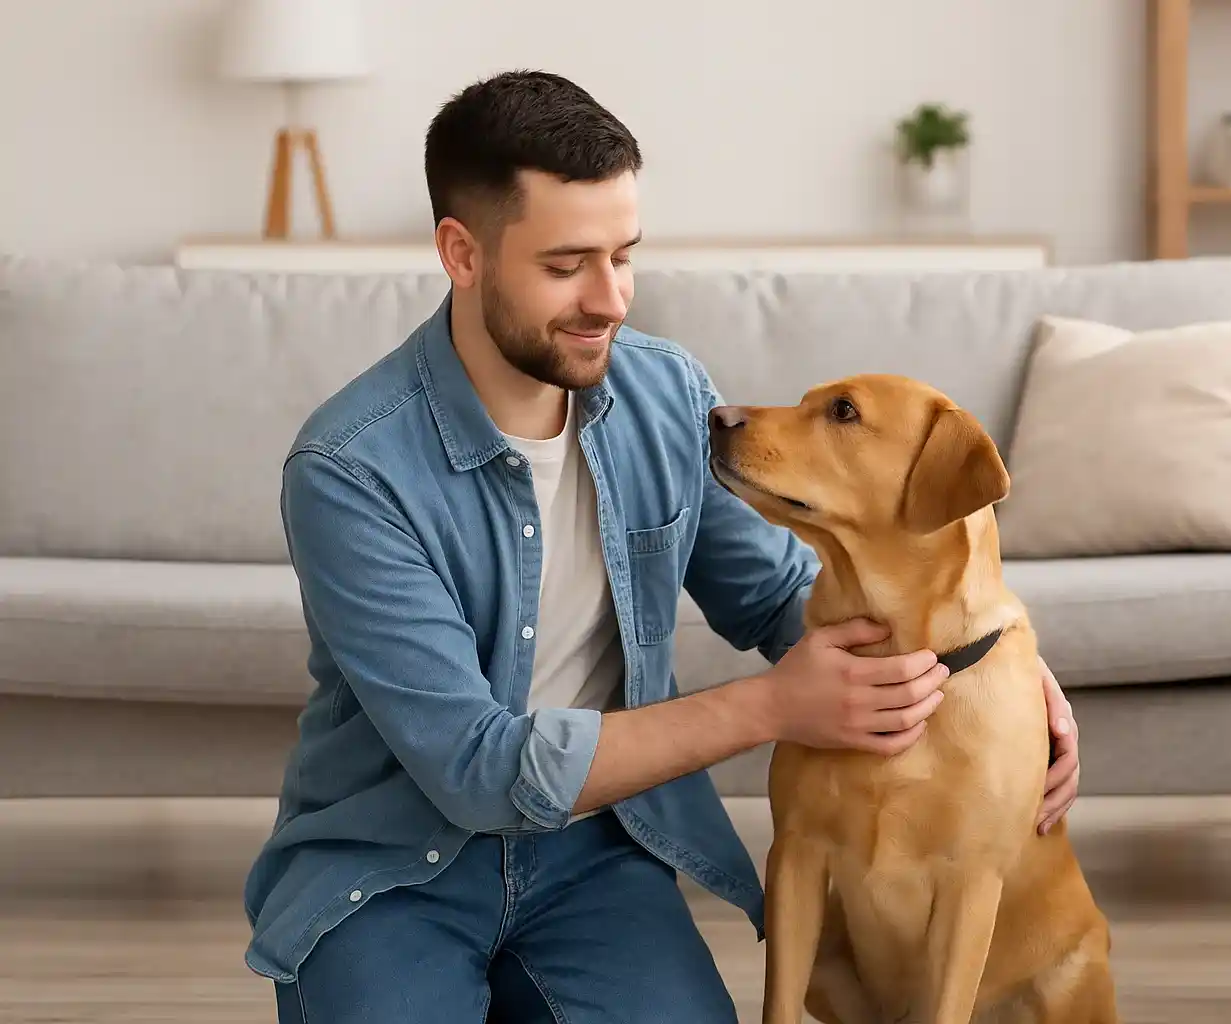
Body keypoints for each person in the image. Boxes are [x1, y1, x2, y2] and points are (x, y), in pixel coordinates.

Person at [243, 69, 1081, 1024]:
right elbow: (479, 770)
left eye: (624, 256)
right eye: (566, 266)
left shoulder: (665, 394)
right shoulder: (350, 468)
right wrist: (773, 706)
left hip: (594, 859)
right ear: (461, 253)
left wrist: (995, 681)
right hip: (391, 868)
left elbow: (776, 597)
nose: (610, 300)